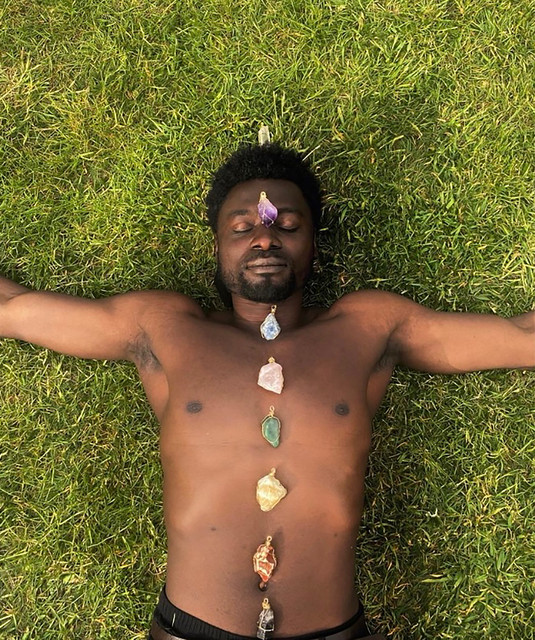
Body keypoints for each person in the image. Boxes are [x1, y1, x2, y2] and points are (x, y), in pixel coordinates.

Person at [1, 142, 533, 640]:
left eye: (288, 225)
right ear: (217, 246)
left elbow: (520, 338)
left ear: (312, 245)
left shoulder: (369, 327)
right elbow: (12, 309)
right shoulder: (163, 327)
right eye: (243, 227)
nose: (265, 237)